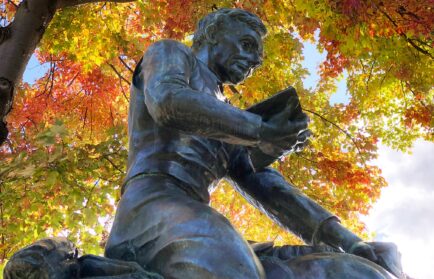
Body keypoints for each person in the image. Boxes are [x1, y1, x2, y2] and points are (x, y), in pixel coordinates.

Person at [104, 8, 398, 279]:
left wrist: (349, 240)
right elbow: (168, 101)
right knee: (235, 268)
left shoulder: (227, 114)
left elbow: (268, 188)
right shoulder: (170, 52)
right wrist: (258, 129)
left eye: (257, 55)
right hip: (148, 209)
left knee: (348, 271)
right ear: (212, 35)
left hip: (194, 218)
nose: (255, 60)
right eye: (247, 44)